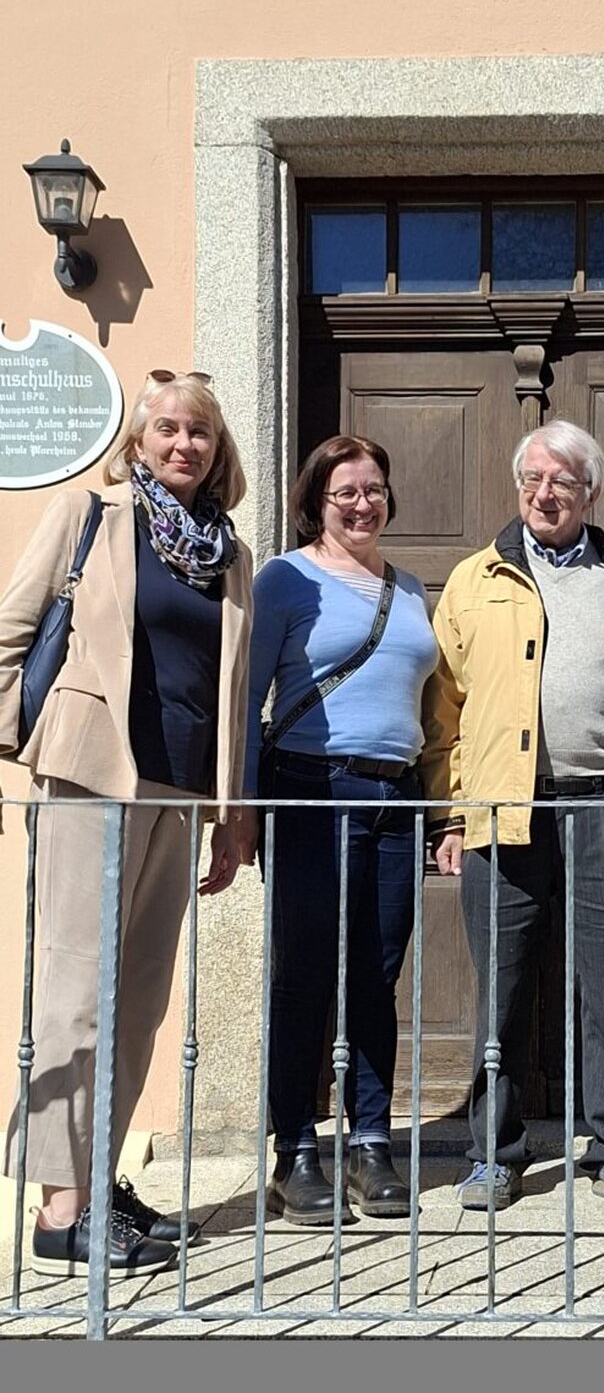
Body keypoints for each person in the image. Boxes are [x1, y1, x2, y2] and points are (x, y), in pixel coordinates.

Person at [0, 369, 252, 1277]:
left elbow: (229, 693)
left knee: (139, 999)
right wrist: (28, 744)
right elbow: (11, 630)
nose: (185, 445)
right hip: (92, 775)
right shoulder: (93, 516)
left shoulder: (229, 553)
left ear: (219, 452)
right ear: (140, 441)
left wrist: (231, 814)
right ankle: (59, 1211)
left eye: (201, 435)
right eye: (169, 430)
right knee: (76, 990)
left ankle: (96, 1181)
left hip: (181, 790)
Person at [421, 418, 604, 1214]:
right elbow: (445, 711)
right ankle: (494, 1154)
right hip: (504, 815)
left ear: (590, 494)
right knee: (500, 992)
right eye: (534, 481)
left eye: (563, 484)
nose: (546, 495)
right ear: (518, 487)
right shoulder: (476, 580)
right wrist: (449, 815)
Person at [237, 435, 438, 1224]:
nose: (363, 503)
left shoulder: (412, 588)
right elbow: (247, 699)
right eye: (346, 491)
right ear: (315, 501)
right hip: (309, 790)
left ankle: (370, 1146)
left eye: (375, 489)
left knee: (376, 979)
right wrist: (243, 813)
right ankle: (294, 1152)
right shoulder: (286, 580)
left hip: (395, 801)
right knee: (305, 977)